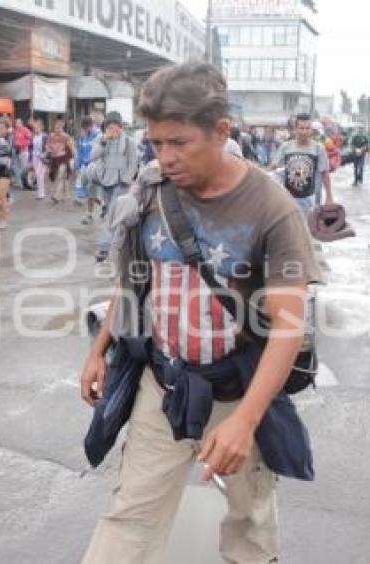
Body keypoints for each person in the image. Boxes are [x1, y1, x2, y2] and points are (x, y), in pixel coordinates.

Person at [80, 61, 319, 564]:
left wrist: (245, 421)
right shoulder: (150, 193)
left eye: (179, 143)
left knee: (250, 523)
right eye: (156, 142)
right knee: (129, 516)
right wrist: (99, 349)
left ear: (221, 131)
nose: (165, 157)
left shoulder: (271, 208)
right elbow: (131, 280)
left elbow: (288, 327)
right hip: (162, 383)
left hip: (238, 388)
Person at [88, 111, 138, 262]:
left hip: (121, 183)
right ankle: (126, 242)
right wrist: (103, 141)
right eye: (109, 126)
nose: (113, 129)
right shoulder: (100, 139)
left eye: (115, 125)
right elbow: (93, 157)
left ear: (120, 126)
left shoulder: (129, 142)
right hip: (106, 182)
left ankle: (104, 248)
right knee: (117, 215)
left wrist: (127, 179)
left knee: (111, 214)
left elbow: (133, 162)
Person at [271, 113, 335, 216]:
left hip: (310, 199)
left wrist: (329, 196)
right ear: (295, 129)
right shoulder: (285, 147)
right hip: (288, 199)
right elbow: (273, 169)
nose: (304, 131)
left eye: (307, 128)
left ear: (311, 130)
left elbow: (325, 173)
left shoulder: (318, 148)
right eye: (301, 128)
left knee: (309, 228)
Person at [76, 117, 103, 224]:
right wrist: (78, 164)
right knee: (85, 187)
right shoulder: (84, 137)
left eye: (86, 128)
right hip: (85, 167)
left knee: (91, 188)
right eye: (83, 129)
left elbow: (100, 152)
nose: (85, 130)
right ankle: (101, 203)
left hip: (95, 167)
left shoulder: (99, 136)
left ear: (91, 126)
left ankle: (89, 215)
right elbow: (80, 151)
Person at [46, 119, 75, 204]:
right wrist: (49, 150)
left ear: (62, 129)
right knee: (59, 177)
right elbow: (47, 146)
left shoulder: (66, 136)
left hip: (64, 159)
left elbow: (71, 146)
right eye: (56, 128)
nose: (57, 130)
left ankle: (57, 196)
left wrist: (74, 156)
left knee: (61, 176)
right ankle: (66, 194)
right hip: (55, 159)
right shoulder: (51, 136)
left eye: (59, 128)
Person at [11, 118, 32, 189]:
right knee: (18, 168)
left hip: (24, 151)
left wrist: (22, 144)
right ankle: (22, 184)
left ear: (21, 123)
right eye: (16, 123)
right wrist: (15, 144)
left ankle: (27, 183)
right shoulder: (16, 131)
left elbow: (30, 139)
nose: (17, 124)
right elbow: (14, 140)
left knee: (24, 168)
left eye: (18, 123)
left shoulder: (25, 130)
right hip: (18, 151)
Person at [30, 118, 48, 200]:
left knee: (40, 175)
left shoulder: (44, 136)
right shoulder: (33, 136)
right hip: (35, 157)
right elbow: (31, 148)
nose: (35, 129)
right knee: (37, 175)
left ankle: (41, 194)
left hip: (42, 157)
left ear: (41, 127)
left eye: (37, 127)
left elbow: (48, 147)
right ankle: (40, 193)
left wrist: (45, 155)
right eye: (35, 127)